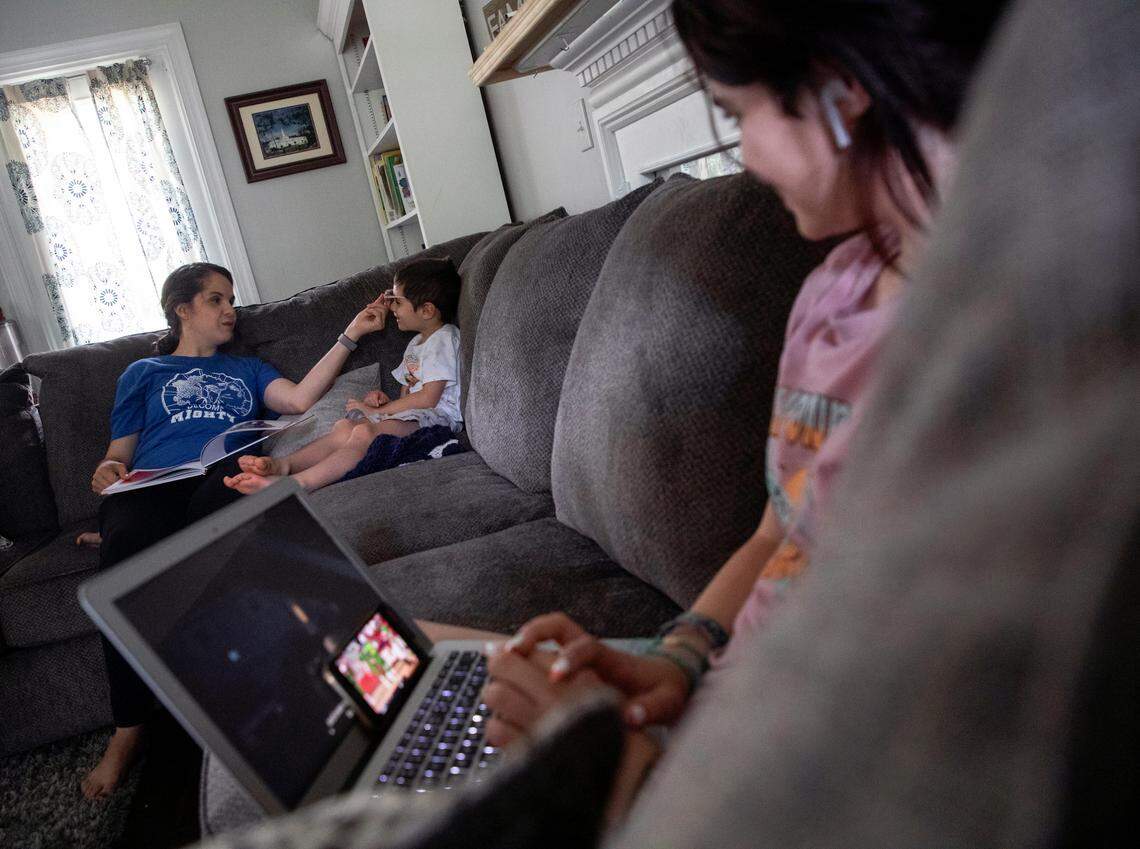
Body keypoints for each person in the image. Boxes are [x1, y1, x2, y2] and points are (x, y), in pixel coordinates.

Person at [477, 0, 1012, 787]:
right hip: (724, 706)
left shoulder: (1006, 344)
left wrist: (617, 774)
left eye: (739, 115)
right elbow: (775, 534)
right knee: (457, 669)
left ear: (840, 88)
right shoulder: (834, 293)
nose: (746, 160)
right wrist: (677, 659)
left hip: (803, 773)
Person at [82, 262, 387, 799]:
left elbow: (297, 402)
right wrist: (107, 473)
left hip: (222, 472)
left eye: (232, 300)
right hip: (153, 483)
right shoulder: (142, 373)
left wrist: (350, 335)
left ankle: (242, 696)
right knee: (127, 544)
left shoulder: (247, 369)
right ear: (183, 309)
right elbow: (117, 455)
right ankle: (129, 728)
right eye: (217, 300)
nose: (231, 310)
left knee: (231, 498)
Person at [223, 256, 462, 495]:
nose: (391, 307)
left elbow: (429, 398)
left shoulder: (443, 339)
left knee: (362, 432)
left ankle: (297, 484)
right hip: (414, 417)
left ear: (427, 310)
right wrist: (384, 403)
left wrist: (379, 413)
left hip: (436, 421)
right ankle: (284, 465)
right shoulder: (416, 344)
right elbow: (410, 391)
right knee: (345, 426)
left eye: (398, 302)